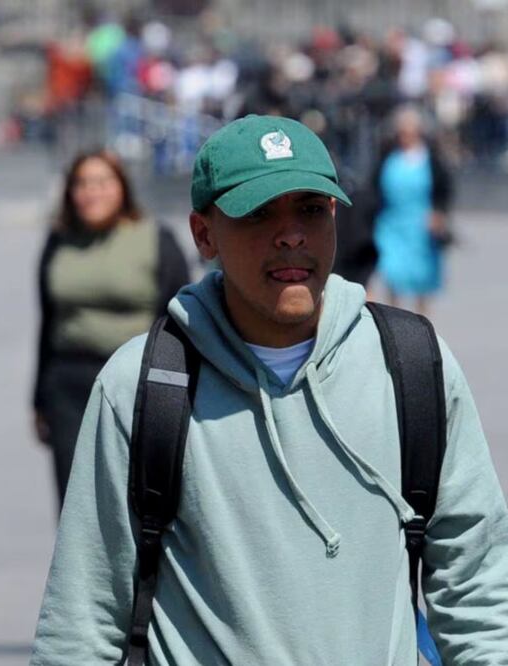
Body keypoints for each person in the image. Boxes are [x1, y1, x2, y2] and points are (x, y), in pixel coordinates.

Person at [31, 115, 508, 663]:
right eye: (258, 213)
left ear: (333, 217)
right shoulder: (142, 386)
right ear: (203, 233)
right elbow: (82, 621)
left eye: (309, 209)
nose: (290, 235)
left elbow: (477, 584)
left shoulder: (413, 365)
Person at [34, 149, 189, 508]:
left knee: (138, 498)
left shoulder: (154, 239)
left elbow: (180, 318)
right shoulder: (60, 242)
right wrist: (39, 398)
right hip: (70, 384)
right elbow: (47, 321)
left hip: (138, 381)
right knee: (77, 500)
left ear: (122, 187)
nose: (92, 192)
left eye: (102, 182)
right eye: (82, 184)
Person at [372, 105, 454, 316]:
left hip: (420, 225)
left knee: (421, 277)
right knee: (392, 272)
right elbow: (374, 188)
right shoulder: (388, 157)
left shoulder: (431, 160)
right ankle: (394, 319)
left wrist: (439, 213)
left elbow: (444, 189)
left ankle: (421, 321)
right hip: (391, 223)